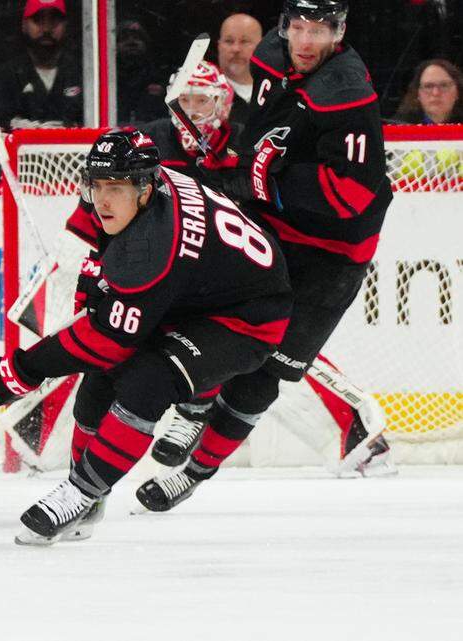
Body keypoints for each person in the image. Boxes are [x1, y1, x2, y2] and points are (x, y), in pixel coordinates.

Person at [0, 129, 292, 545]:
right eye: (96, 184)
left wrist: (21, 371)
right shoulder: (148, 191)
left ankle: (81, 493)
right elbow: (94, 230)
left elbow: (106, 341)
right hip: (196, 294)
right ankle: (87, 494)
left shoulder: (152, 246)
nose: (101, 199)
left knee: (148, 380)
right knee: (100, 378)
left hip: (246, 318)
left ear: (144, 188)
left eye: (114, 188)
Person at [137, 0, 394, 511]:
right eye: (297, 27)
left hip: (333, 253)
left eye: (318, 31)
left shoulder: (348, 95)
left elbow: (354, 195)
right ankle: (193, 409)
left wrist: (272, 179)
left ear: (338, 33)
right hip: (275, 224)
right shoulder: (273, 55)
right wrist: (238, 154)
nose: (304, 41)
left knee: (265, 370)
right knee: (215, 309)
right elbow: (270, 125)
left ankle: (198, 469)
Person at [0, 0, 83, 129]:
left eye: (54, 20)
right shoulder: (3, 78)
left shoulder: (84, 75)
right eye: (38, 20)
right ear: (24, 25)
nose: (46, 29)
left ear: (65, 25)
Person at [137, 60, 236, 177]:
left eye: (202, 100)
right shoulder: (148, 139)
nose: (190, 110)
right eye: (183, 99)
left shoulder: (241, 141)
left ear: (222, 105)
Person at [216, 13, 263, 126]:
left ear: (262, 46)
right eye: (229, 41)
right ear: (219, 46)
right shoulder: (203, 96)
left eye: (244, 41)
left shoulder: (276, 95)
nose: (236, 49)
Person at [393, 59, 463, 125]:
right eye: (428, 86)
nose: (436, 93)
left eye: (444, 85)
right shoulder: (397, 126)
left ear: (457, 92)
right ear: (418, 93)